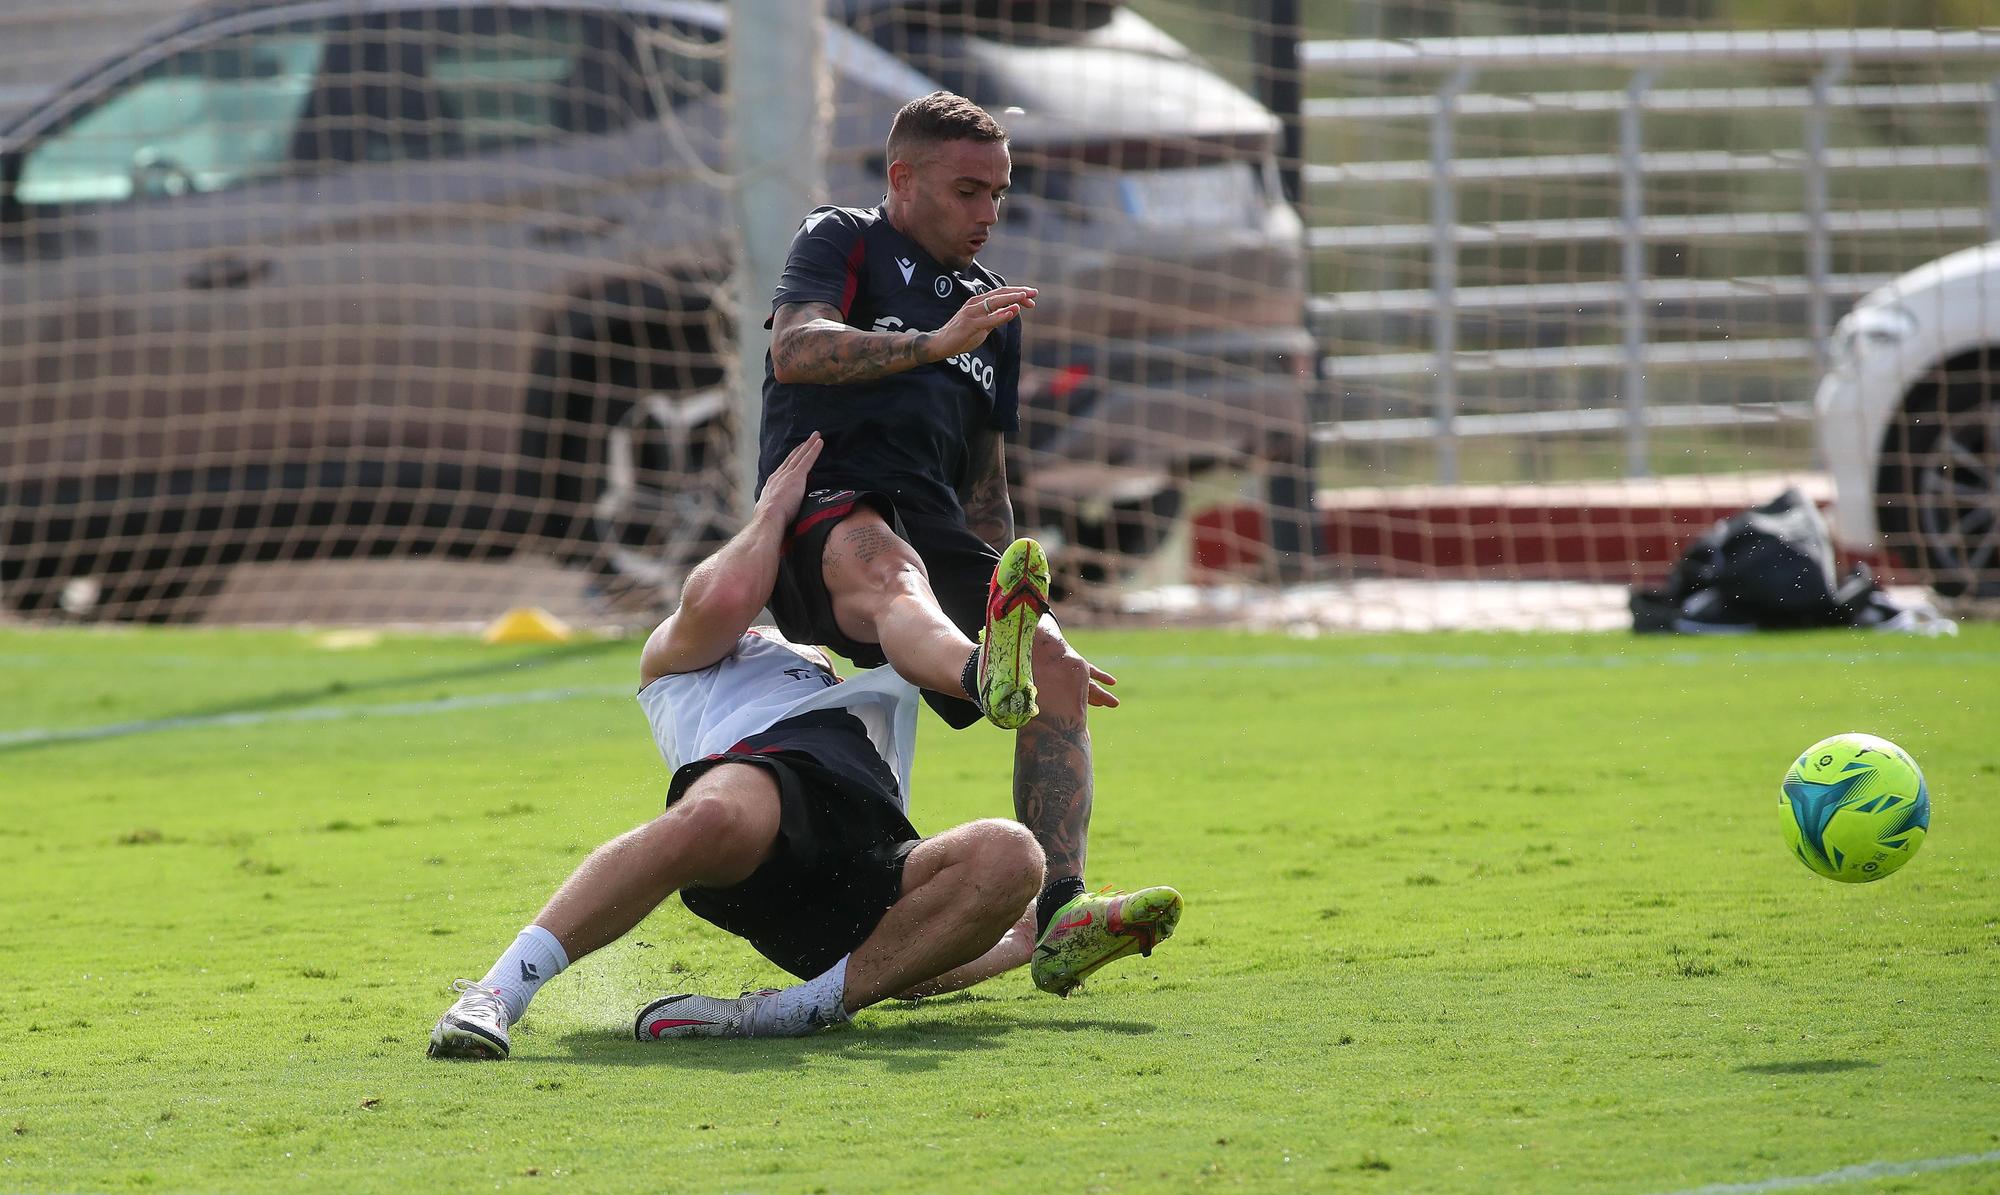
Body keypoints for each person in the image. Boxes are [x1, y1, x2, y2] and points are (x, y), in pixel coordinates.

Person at [428, 434, 1050, 1057]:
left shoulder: (820, 658)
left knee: (1013, 856)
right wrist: (774, 510)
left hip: (868, 849)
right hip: (765, 807)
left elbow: (906, 955)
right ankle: (495, 993)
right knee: (717, 810)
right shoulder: (681, 650)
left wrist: (1015, 943)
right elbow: (723, 595)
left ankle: (795, 1010)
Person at [755, 90, 1180, 995]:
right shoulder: (842, 237)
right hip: (828, 503)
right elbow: (796, 349)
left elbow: (985, 488)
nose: (989, 213)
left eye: (1001, 192)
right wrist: (927, 343)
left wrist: (1024, 608)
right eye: (968, 191)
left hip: (935, 518)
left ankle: (1061, 910)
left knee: (1057, 664)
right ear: (903, 179)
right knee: (894, 575)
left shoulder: (994, 307)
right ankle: (983, 673)